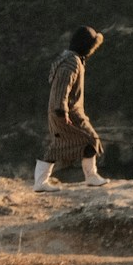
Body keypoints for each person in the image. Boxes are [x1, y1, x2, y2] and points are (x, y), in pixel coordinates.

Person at [36, 26, 109, 191]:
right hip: (65, 112)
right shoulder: (71, 62)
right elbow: (63, 87)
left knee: (65, 144)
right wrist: (62, 111)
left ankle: (90, 176)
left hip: (65, 111)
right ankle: (90, 177)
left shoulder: (70, 58)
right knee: (88, 140)